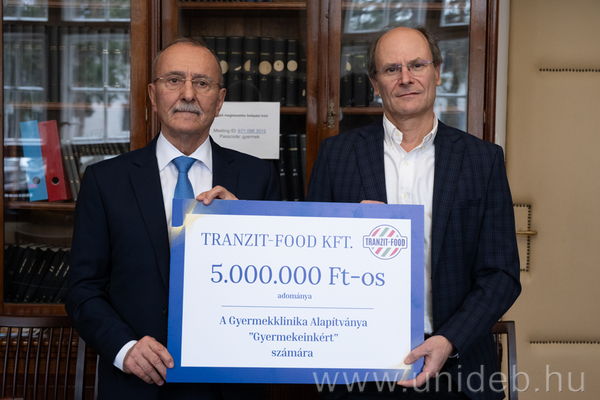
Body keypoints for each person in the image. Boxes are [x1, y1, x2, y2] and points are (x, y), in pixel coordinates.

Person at [306, 26, 521, 400]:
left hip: (457, 371)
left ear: (437, 72)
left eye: (417, 65)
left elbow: (501, 273)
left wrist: (449, 339)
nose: (405, 78)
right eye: (391, 69)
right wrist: (347, 230)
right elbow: (309, 255)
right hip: (357, 369)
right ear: (375, 83)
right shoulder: (336, 156)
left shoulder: (483, 160)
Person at [66, 37, 279, 399]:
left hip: (228, 383)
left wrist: (244, 226)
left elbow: (276, 284)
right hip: (137, 383)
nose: (188, 94)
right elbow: (82, 289)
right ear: (153, 94)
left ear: (220, 101)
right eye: (174, 80)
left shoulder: (257, 177)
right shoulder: (105, 181)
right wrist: (124, 348)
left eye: (202, 83)